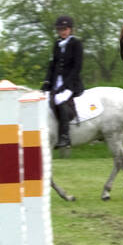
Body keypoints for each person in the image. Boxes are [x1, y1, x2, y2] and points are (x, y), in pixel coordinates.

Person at [42, 15, 83, 148]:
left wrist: (64, 86)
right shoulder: (57, 44)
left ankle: (65, 137)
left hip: (71, 84)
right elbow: (52, 65)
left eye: (64, 29)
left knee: (59, 100)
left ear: (70, 29)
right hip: (55, 83)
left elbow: (77, 68)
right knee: (43, 100)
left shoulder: (76, 44)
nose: (62, 32)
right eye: (60, 29)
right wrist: (47, 82)